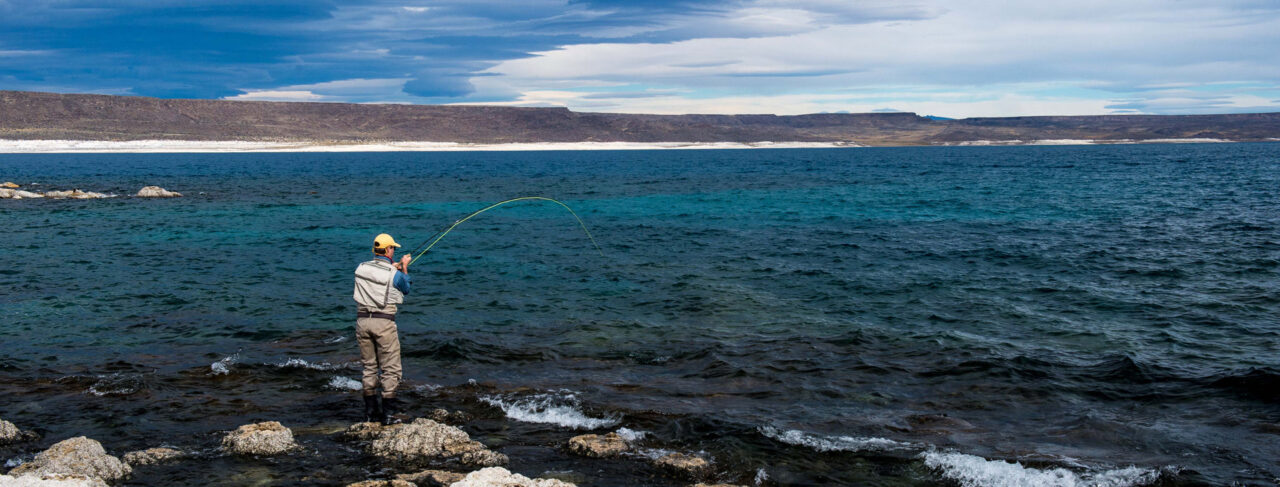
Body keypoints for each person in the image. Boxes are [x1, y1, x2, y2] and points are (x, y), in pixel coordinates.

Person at [352, 233, 412, 425]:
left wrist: (392, 267)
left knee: (369, 367)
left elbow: (377, 274)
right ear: (387, 250)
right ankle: (388, 414)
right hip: (383, 323)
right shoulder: (394, 273)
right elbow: (405, 287)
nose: (394, 251)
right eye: (393, 248)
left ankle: (370, 413)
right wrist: (404, 267)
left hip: (362, 322)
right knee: (390, 369)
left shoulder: (360, 268)